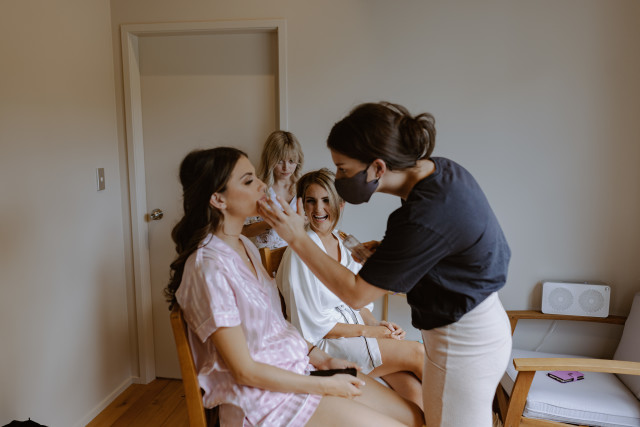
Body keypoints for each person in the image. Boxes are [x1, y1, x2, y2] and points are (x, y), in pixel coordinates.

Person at [258, 102, 513, 427]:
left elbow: (356, 294)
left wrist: (295, 236)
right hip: (464, 330)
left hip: (464, 341)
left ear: (377, 167)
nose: (338, 180)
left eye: (343, 169)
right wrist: (393, 254)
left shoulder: (423, 213)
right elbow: (445, 249)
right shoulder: (441, 174)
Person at [165, 147, 424, 427]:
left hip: (301, 370)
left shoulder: (245, 247)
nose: (262, 185)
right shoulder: (208, 268)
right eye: (249, 180)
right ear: (218, 199)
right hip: (264, 402)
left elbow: (278, 328)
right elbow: (244, 372)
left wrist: (324, 361)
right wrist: (325, 385)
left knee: (415, 416)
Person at [276, 168, 424, 409]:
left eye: (326, 200)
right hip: (327, 345)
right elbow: (313, 327)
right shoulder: (299, 254)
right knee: (418, 353)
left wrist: (379, 325)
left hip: (356, 334)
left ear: (341, 204)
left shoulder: (343, 241)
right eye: (311, 201)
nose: (318, 209)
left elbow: (359, 303)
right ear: (301, 206)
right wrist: (369, 331)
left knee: (414, 393)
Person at [242, 130, 304, 249]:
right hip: (267, 256)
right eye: (280, 161)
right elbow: (245, 231)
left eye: (291, 161)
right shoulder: (258, 188)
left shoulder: (304, 187)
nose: (286, 168)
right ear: (270, 160)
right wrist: (273, 221)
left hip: (297, 253)